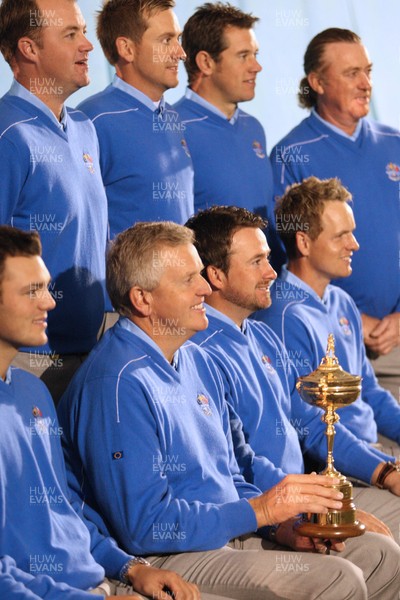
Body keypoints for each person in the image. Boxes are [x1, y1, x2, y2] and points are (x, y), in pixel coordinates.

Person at [56, 222, 400, 600]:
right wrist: (260, 513)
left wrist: (281, 527)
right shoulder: (116, 382)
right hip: (169, 554)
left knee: (380, 555)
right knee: (340, 579)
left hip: (230, 531)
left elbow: (233, 473)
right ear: (143, 299)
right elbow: (145, 526)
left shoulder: (197, 358)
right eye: (188, 279)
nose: (205, 287)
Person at [0, 225, 204, 600]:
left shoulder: (33, 391)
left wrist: (130, 567)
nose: (50, 303)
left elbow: (65, 515)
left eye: (46, 287)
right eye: (32, 291)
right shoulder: (111, 377)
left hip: (102, 581)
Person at [186, 205, 400, 545]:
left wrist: (387, 472)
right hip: (265, 513)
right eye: (256, 262)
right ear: (216, 276)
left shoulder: (262, 336)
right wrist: (311, 506)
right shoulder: (199, 352)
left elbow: (314, 425)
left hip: (301, 495)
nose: (272, 272)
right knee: (380, 549)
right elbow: (239, 464)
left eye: (268, 258)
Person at [269, 27, 400, 399]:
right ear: (318, 82)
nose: (365, 84)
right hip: (328, 339)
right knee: (347, 451)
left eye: (368, 71)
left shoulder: (395, 144)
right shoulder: (291, 154)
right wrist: (353, 320)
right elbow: (289, 257)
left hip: (397, 342)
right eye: (351, 73)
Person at [0, 0, 108, 401]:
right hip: (29, 360)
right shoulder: (8, 134)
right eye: (71, 34)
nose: (88, 46)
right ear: (29, 49)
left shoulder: (84, 128)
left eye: (83, 31)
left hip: (93, 353)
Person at [254, 176, 400, 460]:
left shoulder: (342, 302)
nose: (354, 244)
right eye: (340, 236)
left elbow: (369, 391)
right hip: (339, 473)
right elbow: (310, 429)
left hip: (373, 453)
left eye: (352, 233)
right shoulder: (282, 318)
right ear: (304, 243)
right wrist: (386, 470)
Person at [174, 2, 284, 268]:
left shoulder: (253, 128)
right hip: (210, 298)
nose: (256, 66)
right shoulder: (171, 127)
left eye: (255, 54)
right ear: (206, 62)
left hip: (265, 292)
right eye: (243, 55)